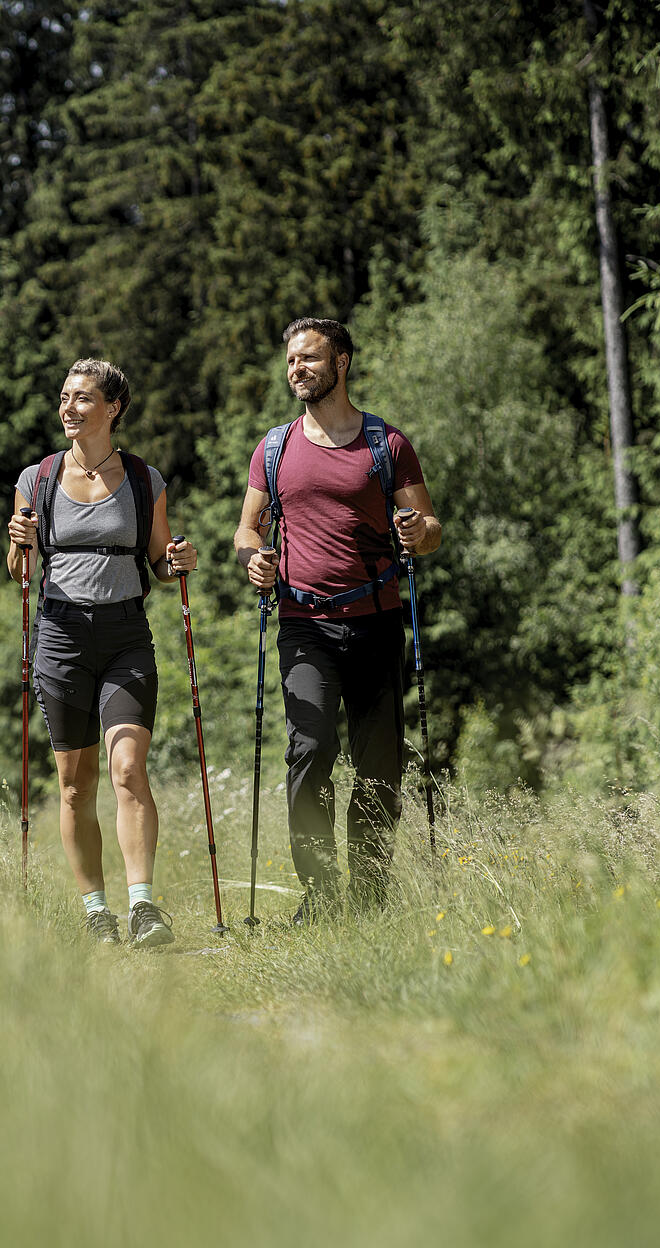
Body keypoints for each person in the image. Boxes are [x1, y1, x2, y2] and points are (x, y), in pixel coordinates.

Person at [232, 318, 442, 919]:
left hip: (375, 620)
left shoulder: (386, 444)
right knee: (309, 747)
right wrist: (254, 560)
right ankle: (321, 895)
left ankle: (371, 894)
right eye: (292, 360)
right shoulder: (274, 448)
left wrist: (416, 531)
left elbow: (430, 529)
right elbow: (247, 529)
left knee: (379, 766)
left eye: (310, 359)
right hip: (304, 625)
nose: (297, 368)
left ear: (341, 363)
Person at [7, 359, 198, 948]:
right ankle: (96, 910)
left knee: (128, 769)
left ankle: (142, 906)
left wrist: (178, 561)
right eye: (64, 397)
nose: (68, 407)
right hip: (61, 636)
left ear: (112, 408)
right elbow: (19, 571)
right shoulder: (34, 479)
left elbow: (162, 563)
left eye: (82, 398)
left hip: (125, 637)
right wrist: (19, 545)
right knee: (74, 784)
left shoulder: (144, 480)